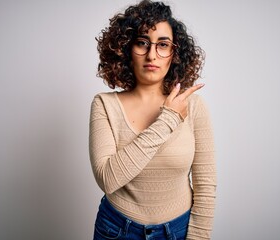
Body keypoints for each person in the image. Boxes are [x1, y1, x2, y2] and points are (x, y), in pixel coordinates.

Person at [89, 0, 216, 239]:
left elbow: (206, 186)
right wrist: (167, 119)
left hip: (178, 230)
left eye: (163, 45)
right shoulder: (104, 105)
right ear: (126, 49)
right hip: (116, 229)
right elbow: (108, 179)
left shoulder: (194, 107)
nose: (151, 54)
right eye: (142, 43)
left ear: (174, 54)